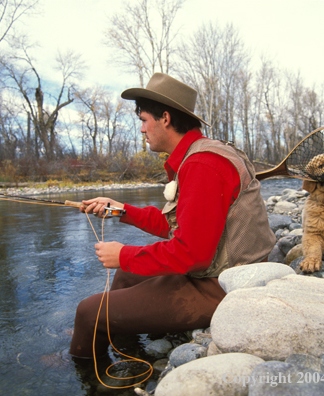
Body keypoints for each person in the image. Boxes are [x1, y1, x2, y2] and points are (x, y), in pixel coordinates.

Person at [69, 73, 276, 359]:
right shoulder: (200, 155)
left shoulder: (203, 164)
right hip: (223, 273)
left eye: (144, 120)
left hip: (225, 286)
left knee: (87, 312)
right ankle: (128, 351)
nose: (142, 129)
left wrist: (124, 254)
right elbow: (178, 226)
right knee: (126, 275)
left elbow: (193, 254)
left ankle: (87, 374)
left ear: (165, 118)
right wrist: (120, 210)